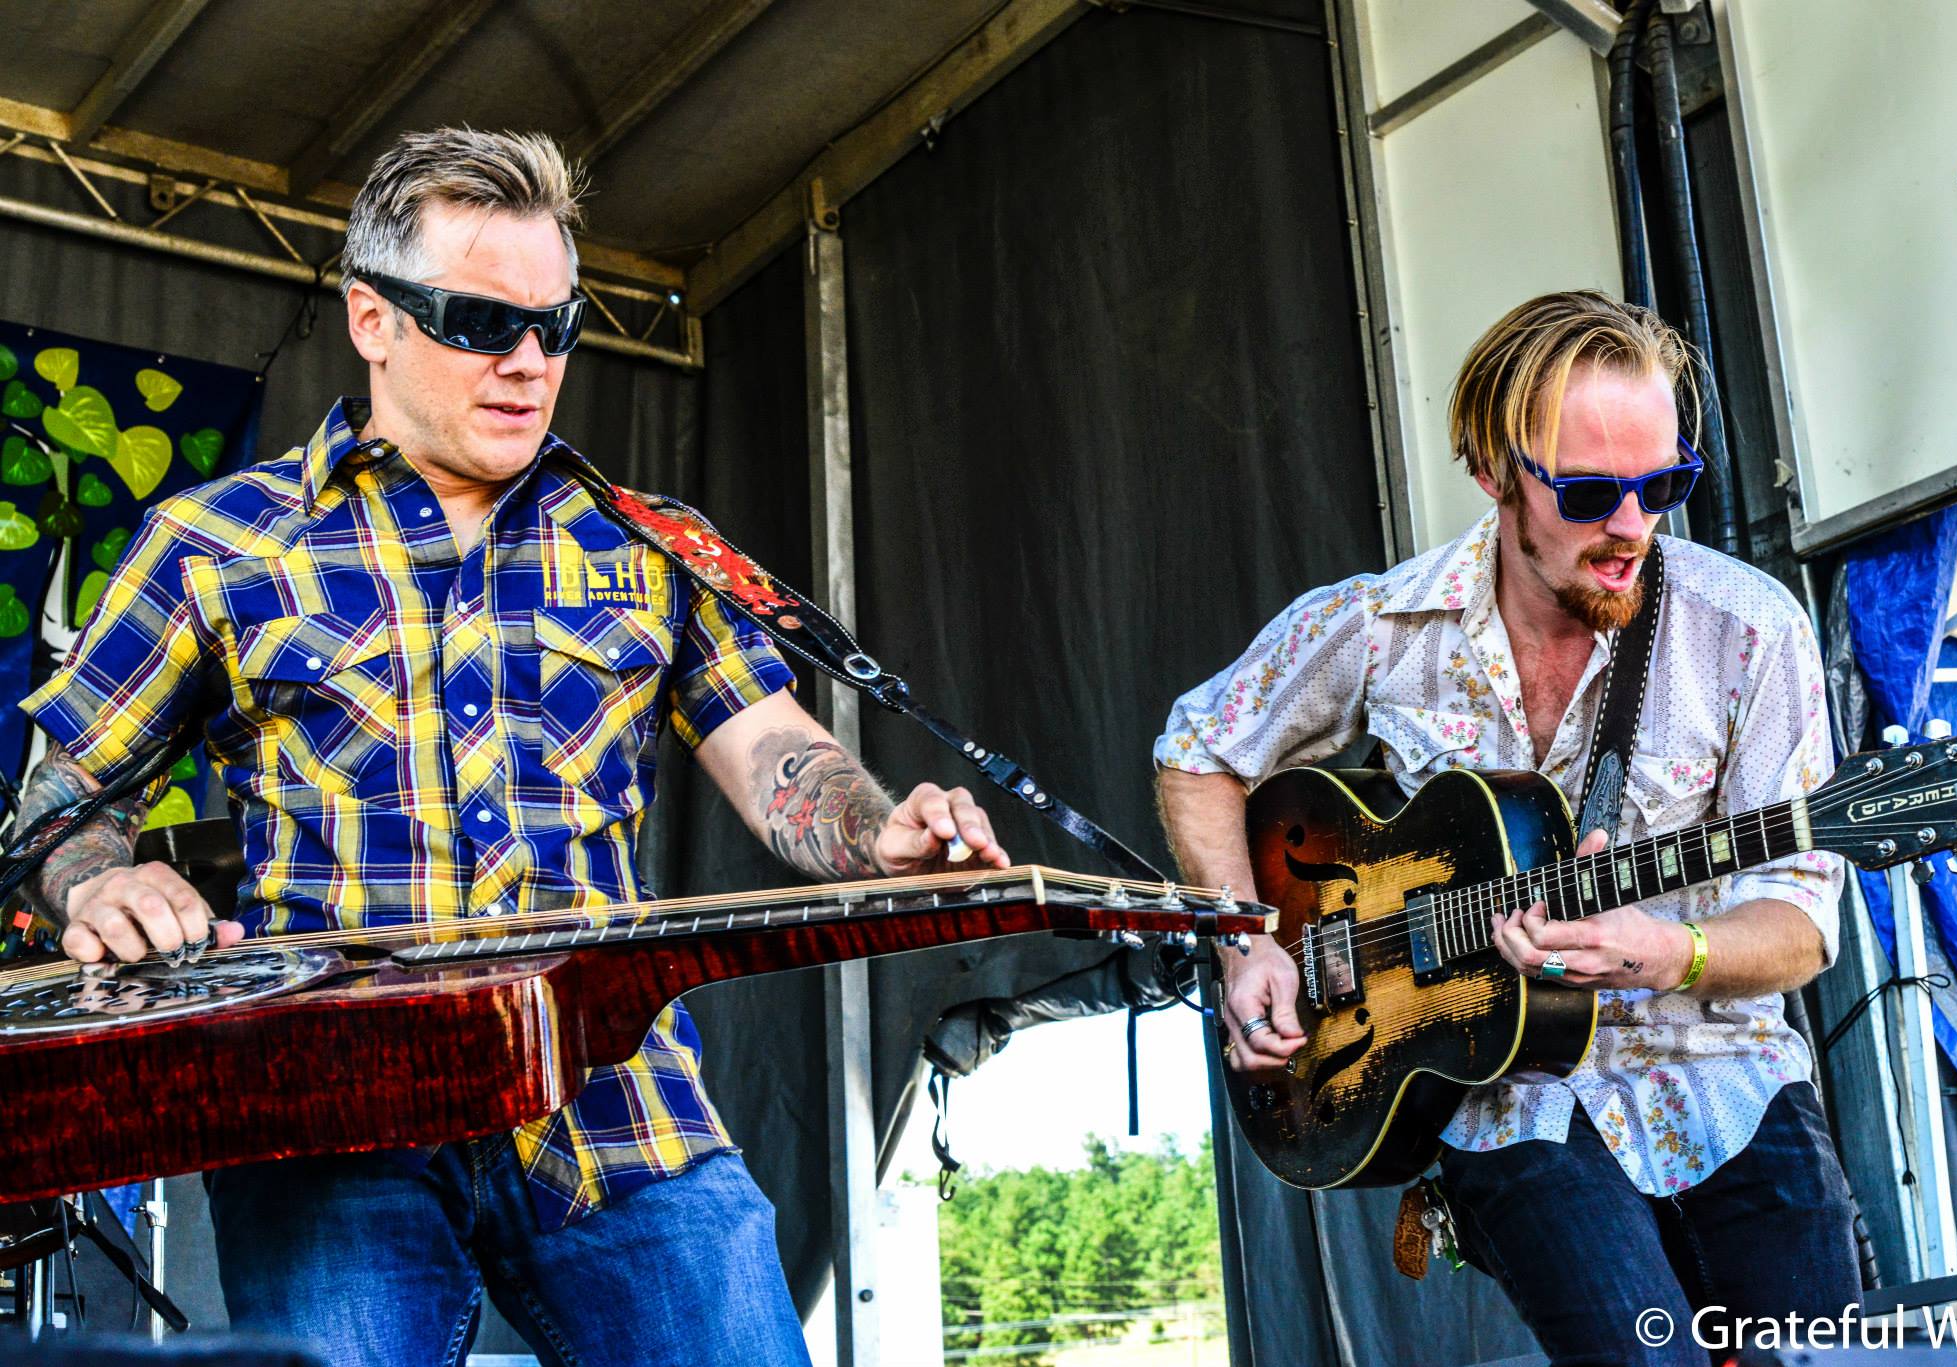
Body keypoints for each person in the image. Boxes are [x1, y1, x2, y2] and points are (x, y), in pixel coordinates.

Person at [14, 127, 1009, 1366]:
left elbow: (776, 757)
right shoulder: (217, 543)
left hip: (618, 1109)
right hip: (330, 1120)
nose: (530, 364)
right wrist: (100, 876)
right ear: (371, 318)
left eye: (557, 326)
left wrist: (880, 828)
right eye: (481, 323)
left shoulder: (651, 543)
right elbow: (61, 798)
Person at [1154, 291, 1860, 1365]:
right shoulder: (1380, 625)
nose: (1630, 525)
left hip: (1723, 1071)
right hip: (1508, 1088)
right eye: (1586, 491)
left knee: (1818, 1357)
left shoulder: (1747, 629)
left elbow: (1802, 926)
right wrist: (1244, 934)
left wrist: (1674, 950)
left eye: (1662, 483)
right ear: (1493, 473)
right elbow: (1198, 745)